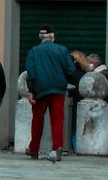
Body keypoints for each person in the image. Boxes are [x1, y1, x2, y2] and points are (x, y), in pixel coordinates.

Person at [25, 24, 75, 162]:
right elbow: (71, 70)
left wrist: (31, 91)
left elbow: (31, 72)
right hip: (58, 89)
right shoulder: (62, 50)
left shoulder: (34, 51)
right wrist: (64, 80)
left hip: (40, 90)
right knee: (58, 119)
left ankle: (34, 148)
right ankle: (57, 147)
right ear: (52, 36)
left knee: (37, 119)